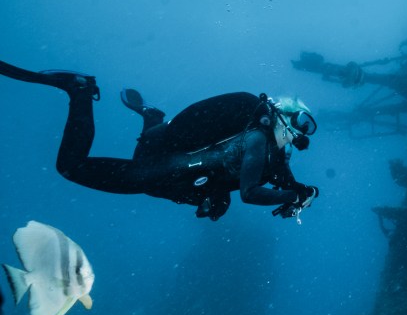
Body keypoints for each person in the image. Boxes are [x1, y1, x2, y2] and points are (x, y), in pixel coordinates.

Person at [0, 60, 319, 221]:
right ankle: (80, 92)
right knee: (72, 167)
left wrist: (301, 192)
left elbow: (282, 180)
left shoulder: (273, 150)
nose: (294, 138)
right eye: (297, 126)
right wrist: (291, 196)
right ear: (282, 116)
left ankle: (152, 118)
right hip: (166, 163)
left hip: (169, 159)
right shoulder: (256, 138)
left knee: (156, 177)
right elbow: (249, 193)